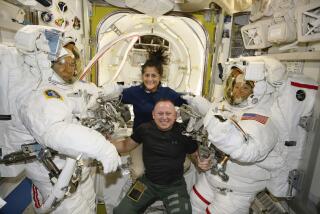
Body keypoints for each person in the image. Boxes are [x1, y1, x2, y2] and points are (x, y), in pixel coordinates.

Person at [3, 25, 121, 213]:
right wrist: (102, 147)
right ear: (48, 63)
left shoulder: (66, 88)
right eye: (62, 62)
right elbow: (55, 131)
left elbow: (88, 95)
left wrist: (116, 90)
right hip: (56, 178)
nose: (69, 68)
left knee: (89, 206)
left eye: (72, 63)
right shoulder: (39, 94)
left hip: (77, 171)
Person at [184, 57, 286, 214]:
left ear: (257, 92)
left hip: (236, 190)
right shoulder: (227, 106)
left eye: (245, 88)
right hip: (213, 177)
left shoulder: (262, 120)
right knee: (193, 205)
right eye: (235, 86)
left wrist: (220, 131)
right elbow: (218, 118)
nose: (237, 91)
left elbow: (248, 151)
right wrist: (198, 104)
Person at [112, 99, 199, 214]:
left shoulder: (184, 133)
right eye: (160, 113)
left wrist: (202, 162)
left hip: (174, 186)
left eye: (168, 113)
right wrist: (103, 144)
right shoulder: (144, 129)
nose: (164, 117)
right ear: (153, 115)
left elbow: (195, 156)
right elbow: (125, 146)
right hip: (147, 184)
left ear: (176, 115)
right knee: (121, 212)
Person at [121, 47, 187, 130]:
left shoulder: (168, 93)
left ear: (160, 77)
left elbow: (187, 102)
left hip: (162, 138)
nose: (150, 79)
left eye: (154, 75)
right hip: (139, 138)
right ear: (142, 76)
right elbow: (116, 97)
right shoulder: (134, 92)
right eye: (147, 75)